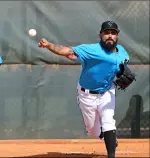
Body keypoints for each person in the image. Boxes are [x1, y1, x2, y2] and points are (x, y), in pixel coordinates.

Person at [38, 21, 130, 158]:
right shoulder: (91, 50)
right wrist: (48, 45)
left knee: (108, 121)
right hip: (87, 94)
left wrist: (121, 74)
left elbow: (122, 66)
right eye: (106, 33)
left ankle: (111, 154)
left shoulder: (122, 52)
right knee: (92, 130)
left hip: (107, 92)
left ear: (117, 36)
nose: (110, 36)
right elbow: (67, 52)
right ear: (100, 35)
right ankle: (104, 136)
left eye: (113, 33)